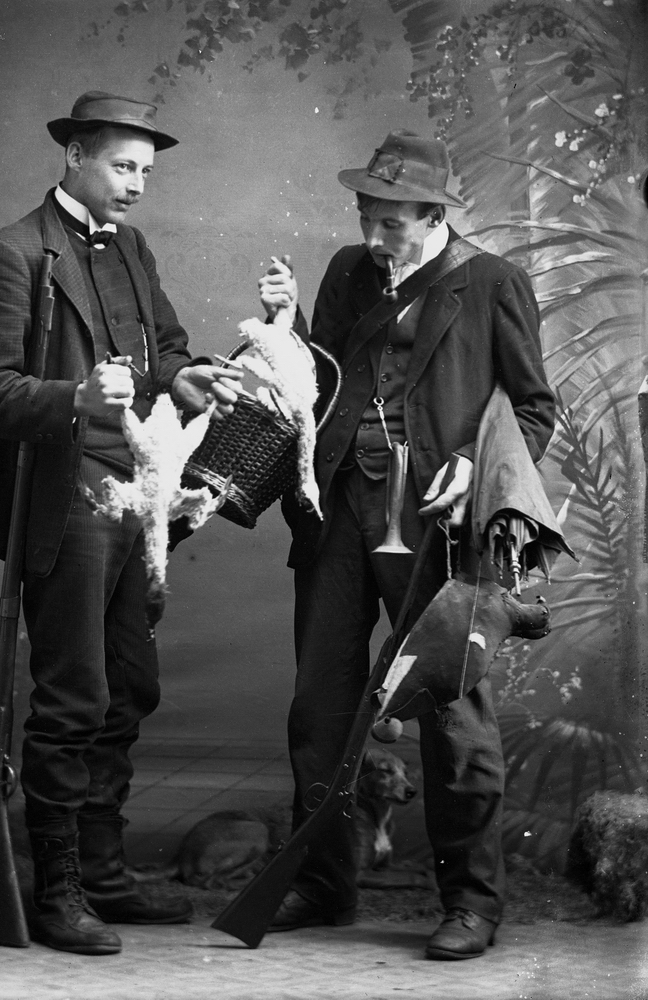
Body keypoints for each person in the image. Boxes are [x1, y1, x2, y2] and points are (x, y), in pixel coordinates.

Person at [0, 91, 242, 956]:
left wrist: (182, 378)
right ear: (73, 155)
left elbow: (166, 348)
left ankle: (104, 874)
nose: (137, 183)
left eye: (145, 170)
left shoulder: (132, 246)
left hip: (140, 497)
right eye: (121, 165)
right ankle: (58, 891)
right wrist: (74, 397)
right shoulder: (10, 254)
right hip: (65, 499)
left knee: (130, 686)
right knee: (73, 697)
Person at [257, 131, 555, 960]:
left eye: (391, 222)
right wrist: (285, 325)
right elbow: (320, 381)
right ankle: (325, 884)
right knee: (320, 705)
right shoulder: (348, 272)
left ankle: (471, 903)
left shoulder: (491, 281)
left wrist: (473, 466)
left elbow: (533, 408)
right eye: (366, 215)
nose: (373, 234)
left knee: (451, 713)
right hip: (339, 513)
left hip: (437, 527)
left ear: (433, 216)